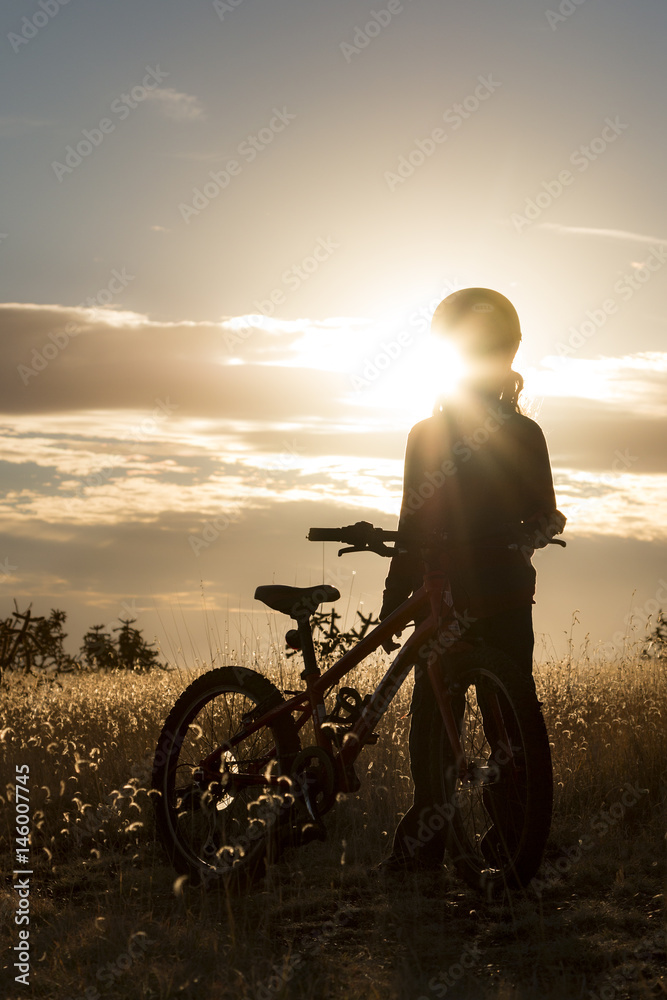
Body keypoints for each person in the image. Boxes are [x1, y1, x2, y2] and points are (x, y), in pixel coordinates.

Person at [377, 287, 566, 872]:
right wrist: (529, 534)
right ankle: (507, 835)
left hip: (457, 587)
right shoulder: (524, 432)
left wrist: (394, 596)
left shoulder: (426, 435)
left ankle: (436, 836)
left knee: (442, 712)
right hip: (499, 589)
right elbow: (546, 513)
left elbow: (412, 525)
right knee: (504, 714)